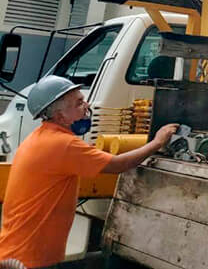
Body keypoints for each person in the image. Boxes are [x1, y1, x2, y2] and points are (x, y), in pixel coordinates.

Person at [0, 75, 178, 268]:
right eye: (79, 103)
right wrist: (157, 142)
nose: (87, 106)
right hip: (29, 258)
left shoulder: (42, 137)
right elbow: (118, 165)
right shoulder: (63, 144)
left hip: (18, 252)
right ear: (59, 116)